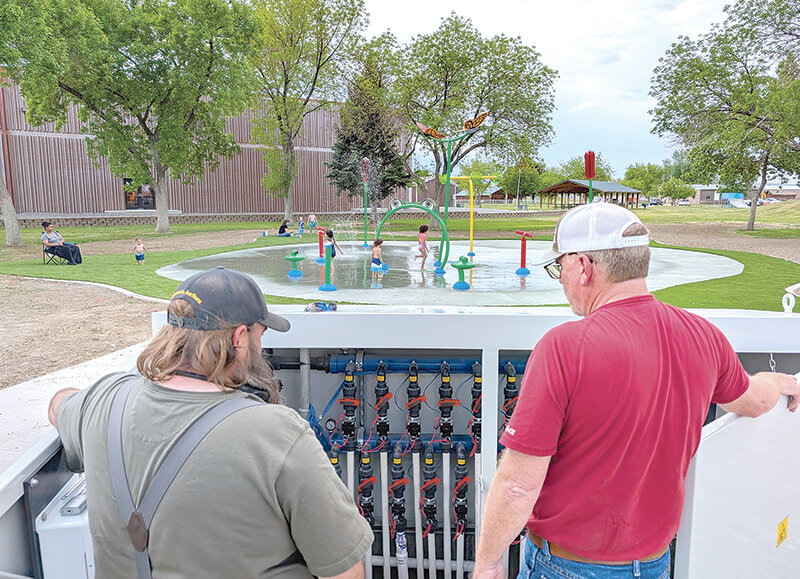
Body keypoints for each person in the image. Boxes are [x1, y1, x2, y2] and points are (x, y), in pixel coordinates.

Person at [473, 202, 799, 579]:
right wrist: (780, 381)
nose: (560, 279)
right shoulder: (704, 337)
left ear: (583, 267)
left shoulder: (564, 347)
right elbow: (755, 402)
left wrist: (489, 562)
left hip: (564, 566)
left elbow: (516, 485)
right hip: (655, 565)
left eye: (558, 267)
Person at [48, 268, 373, 578]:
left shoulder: (104, 401)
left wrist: (91, 397)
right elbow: (344, 570)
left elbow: (57, 404)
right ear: (239, 338)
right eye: (261, 336)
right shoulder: (278, 433)